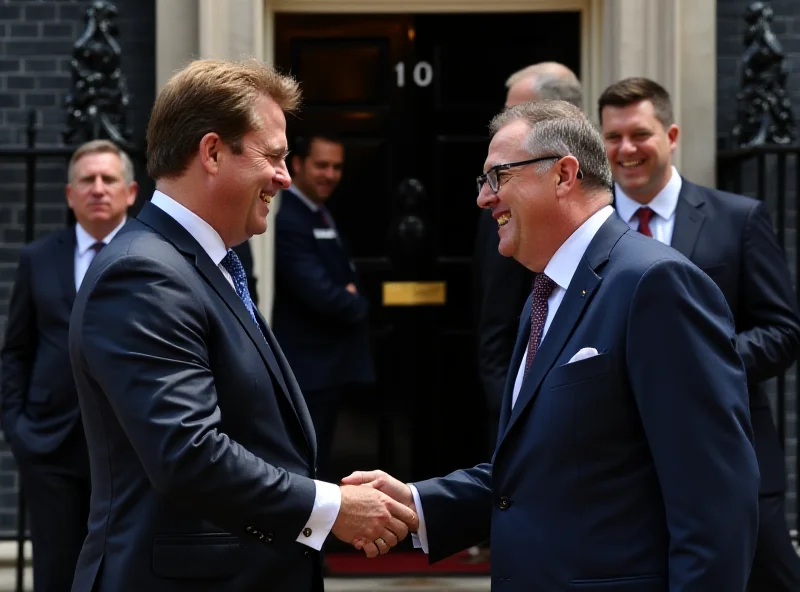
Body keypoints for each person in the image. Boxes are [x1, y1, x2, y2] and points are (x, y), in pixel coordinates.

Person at [345, 99, 759, 590]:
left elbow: (714, 497)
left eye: (498, 176)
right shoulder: (546, 293)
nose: (484, 198)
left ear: (564, 175)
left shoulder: (655, 284)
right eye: (483, 181)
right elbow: (537, 472)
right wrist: (416, 504)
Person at [67, 58, 417, 592]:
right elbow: (188, 453)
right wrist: (332, 506)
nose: (284, 174)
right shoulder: (145, 274)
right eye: (273, 156)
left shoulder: (206, 263)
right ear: (211, 152)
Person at [598, 76, 800, 592]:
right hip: (623, 462)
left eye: (639, 134)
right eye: (613, 137)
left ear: (671, 135)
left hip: (735, 451)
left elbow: (781, 330)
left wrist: (699, 362)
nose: (625, 149)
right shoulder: (589, 232)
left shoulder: (739, 218)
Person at [0, 139, 137, 592]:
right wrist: (19, 430)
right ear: (70, 194)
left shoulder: (149, 256)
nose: (98, 189)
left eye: (108, 179)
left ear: (131, 192)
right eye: (87, 180)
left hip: (129, 444)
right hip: (50, 446)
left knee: (122, 571)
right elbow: (16, 351)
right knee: (56, 572)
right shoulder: (38, 258)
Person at [474, 62, 582, 451]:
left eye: (514, 115)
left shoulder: (646, 268)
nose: (485, 198)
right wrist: (512, 413)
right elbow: (496, 324)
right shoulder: (501, 212)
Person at [272, 133, 374, 481]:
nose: (330, 174)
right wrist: (355, 301)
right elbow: (319, 293)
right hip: (308, 368)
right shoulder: (288, 219)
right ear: (297, 164)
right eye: (321, 165)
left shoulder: (322, 212)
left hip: (331, 365)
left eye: (337, 167)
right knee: (308, 464)